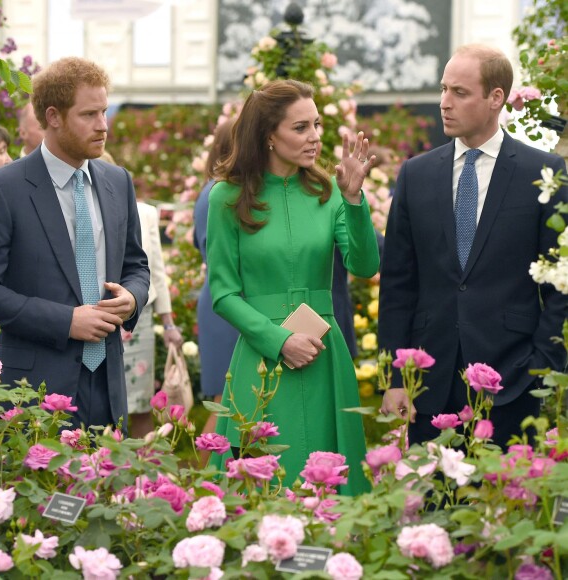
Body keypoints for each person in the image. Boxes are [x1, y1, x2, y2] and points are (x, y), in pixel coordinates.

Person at [378, 44, 567, 449]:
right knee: (432, 507)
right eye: (444, 90)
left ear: (496, 97)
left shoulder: (545, 173)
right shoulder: (416, 174)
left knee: (508, 506)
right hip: (429, 385)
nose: (444, 104)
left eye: (459, 93)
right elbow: (397, 284)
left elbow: (560, 284)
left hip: (513, 380)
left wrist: (542, 368)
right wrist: (395, 378)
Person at [207, 79, 380, 495]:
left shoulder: (329, 193)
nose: (315, 137)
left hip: (324, 354)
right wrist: (279, 340)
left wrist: (354, 200)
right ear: (269, 136)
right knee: (261, 479)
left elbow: (365, 265)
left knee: (331, 480)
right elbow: (223, 294)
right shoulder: (226, 197)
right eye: (301, 127)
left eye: (317, 125)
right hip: (262, 356)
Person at [0, 57, 150, 432]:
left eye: (104, 111)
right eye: (89, 114)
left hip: (108, 384)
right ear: (54, 116)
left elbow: (136, 265)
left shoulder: (118, 180)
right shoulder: (2, 189)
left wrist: (132, 298)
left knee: (107, 488)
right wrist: (66, 321)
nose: (103, 125)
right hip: (32, 391)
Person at [100, 150, 184, 438]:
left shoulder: (146, 212)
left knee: (140, 402)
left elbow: (155, 271)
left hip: (138, 318)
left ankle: (143, 473)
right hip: (99, 313)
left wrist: (169, 323)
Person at [193, 119, 239, 464]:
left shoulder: (209, 189)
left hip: (219, 300)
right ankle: (203, 480)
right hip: (228, 305)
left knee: (229, 400)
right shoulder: (220, 193)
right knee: (226, 402)